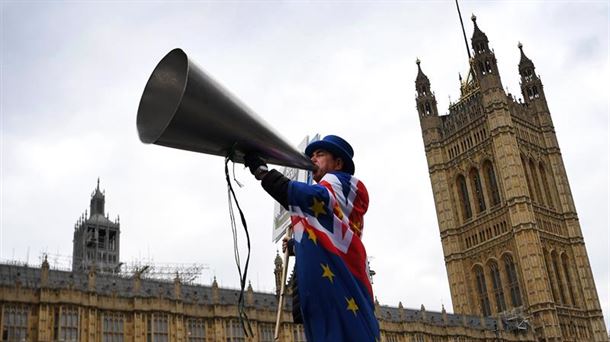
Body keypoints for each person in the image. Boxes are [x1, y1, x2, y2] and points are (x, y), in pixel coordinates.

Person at [245, 135, 380, 342]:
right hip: (325, 290)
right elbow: (329, 233)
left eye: (320, 154)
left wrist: (263, 173)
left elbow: (312, 198)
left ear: (337, 163)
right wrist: (297, 244)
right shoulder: (329, 194)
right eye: (311, 155)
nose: (312, 159)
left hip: (339, 287)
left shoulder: (341, 182)